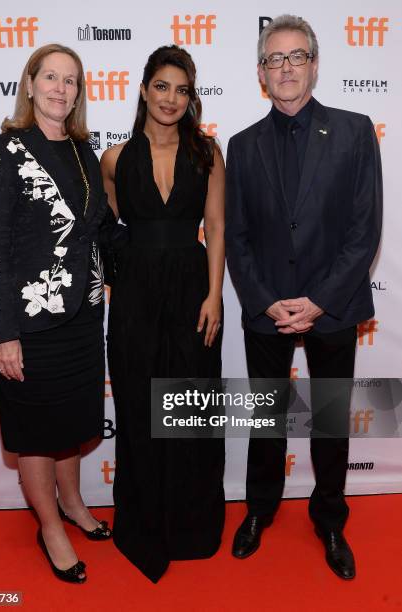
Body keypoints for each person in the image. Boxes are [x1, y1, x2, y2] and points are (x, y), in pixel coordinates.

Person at [225, 15, 382, 580]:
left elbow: (365, 231)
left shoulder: (355, 130)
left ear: (314, 64)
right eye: (275, 59)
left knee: (329, 419)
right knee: (266, 420)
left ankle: (330, 521)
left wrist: (316, 301)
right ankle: (259, 511)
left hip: (333, 306)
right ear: (261, 74)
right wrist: (268, 302)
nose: (285, 68)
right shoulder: (241, 147)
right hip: (266, 309)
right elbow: (235, 238)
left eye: (296, 57)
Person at [0, 43, 112, 584]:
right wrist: (2, 332)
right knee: (36, 428)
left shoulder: (84, 151)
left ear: (79, 92)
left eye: (71, 80)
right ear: (29, 84)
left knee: (71, 423)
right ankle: (50, 525)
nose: (61, 88)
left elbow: (96, 230)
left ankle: (74, 503)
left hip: (83, 317)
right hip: (29, 322)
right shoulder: (4, 150)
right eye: (50, 77)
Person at [100, 44, 225, 582]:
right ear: (144, 89)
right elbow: (106, 230)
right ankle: (145, 524)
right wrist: (115, 286)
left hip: (193, 289)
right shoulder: (114, 159)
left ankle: (192, 525)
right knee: (137, 407)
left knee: (190, 406)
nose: (171, 98)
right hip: (135, 295)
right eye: (161, 86)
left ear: (190, 98)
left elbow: (216, 227)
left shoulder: (207, 153)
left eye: (182, 89)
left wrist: (215, 294)